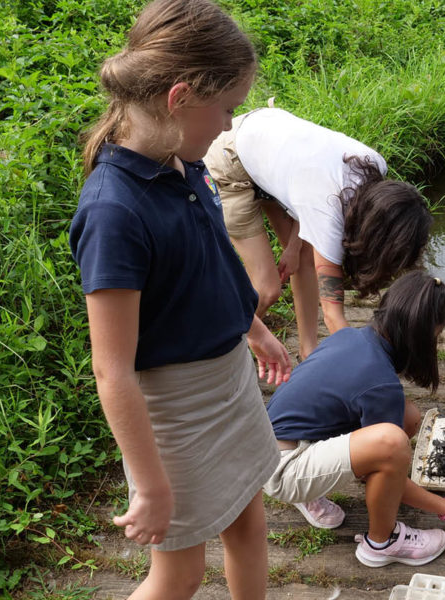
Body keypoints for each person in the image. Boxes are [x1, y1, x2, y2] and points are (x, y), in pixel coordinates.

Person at [69, 1, 291, 598]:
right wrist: (151, 485)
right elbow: (111, 369)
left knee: (249, 524)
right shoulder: (115, 212)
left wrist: (252, 326)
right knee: (180, 572)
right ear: (180, 97)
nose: (227, 125)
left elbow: (209, 265)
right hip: (178, 412)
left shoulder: (181, 160)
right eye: (226, 109)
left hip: (230, 383)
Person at [262, 271, 445, 567]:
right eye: (438, 334)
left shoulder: (350, 336)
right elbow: (388, 450)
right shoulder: (381, 385)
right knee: (392, 444)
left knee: (407, 417)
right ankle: (382, 542)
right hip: (281, 470)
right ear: (422, 333)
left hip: (270, 443)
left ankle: (319, 489)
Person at [203, 106, 432, 360]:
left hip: (274, 148)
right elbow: (333, 316)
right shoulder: (326, 207)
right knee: (267, 288)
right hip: (231, 159)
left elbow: (310, 194)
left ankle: (307, 351)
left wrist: (293, 246)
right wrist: (369, 369)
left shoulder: (374, 167)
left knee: (303, 258)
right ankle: (217, 349)